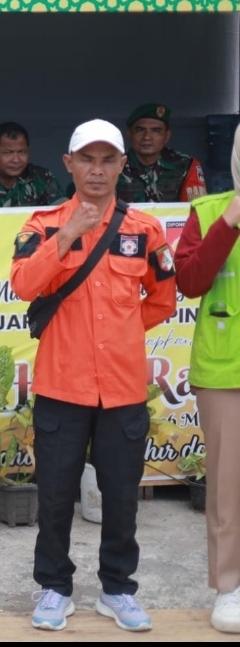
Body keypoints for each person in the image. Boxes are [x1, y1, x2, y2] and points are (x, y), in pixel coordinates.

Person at [10, 119, 177, 633]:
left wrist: (123, 334)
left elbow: (164, 300)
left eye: (108, 160)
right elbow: (23, 284)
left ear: (122, 165)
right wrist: (68, 235)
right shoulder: (42, 224)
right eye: (88, 159)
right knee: (56, 494)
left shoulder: (145, 230)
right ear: (69, 164)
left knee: (122, 495)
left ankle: (117, 590)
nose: (98, 170)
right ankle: (54, 588)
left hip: (123, 387)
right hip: (63, 385)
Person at [173, 122, 240, 635]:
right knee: (228, 488)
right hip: (225, 374)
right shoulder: (209, 211)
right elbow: (191, 282)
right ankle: (230, 588)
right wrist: (231, 223)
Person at [117, 103, 207, 203]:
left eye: (156, 131)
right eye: (140, 130)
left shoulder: (186, 165)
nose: (147, 137)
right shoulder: (116, 165)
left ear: (167, 136)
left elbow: (197, 210)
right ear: (129, 133)